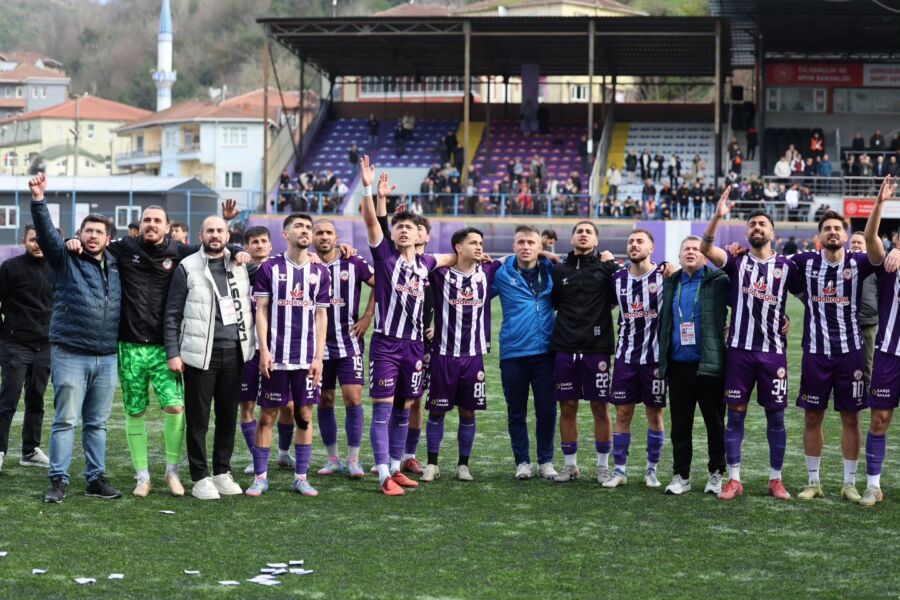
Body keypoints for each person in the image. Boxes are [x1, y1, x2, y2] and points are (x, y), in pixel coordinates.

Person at [359, 156, 455, 495]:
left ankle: (397, 466)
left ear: (421, 236)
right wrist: (370, 188)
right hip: (387, 343)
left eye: (409, 227)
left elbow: (454, 257)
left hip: (415, 347)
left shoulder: (427, 262)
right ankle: (383, 472)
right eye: (398, 226)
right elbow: (371, 219)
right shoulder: (384, 257)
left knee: (405, 407)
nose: (402, 230)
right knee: (383, 409)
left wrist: (480, 257)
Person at [701, 188, 803, 501]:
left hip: (773, 353)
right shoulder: (736, 262)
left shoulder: (788, 267)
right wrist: (718, 216)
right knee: (736, 413)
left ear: (772, 231)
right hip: (740, 352)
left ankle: (776, 479)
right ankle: (734, 479)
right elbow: (706, 248)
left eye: (762, 224)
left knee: (776, 416)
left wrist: (787, 318)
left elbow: (808, 298)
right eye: (752, 225)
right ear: (747, 232)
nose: (757, 228)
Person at [29, 173, 123, 503]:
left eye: (99, 232)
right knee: (66, 420)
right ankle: (58, 480)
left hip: (107, 355)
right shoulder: (66, 258)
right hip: (70, 352)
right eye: (88, 231)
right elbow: (47, 237)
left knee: (97, 423)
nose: (93, 236)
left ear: (108, 239)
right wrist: (39, 200)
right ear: (79, 235)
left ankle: (95, 479)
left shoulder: (117, 262)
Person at [164, 215, 254, 500]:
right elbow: (172, 314)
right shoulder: (187, 267)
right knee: (199, 420)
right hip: (200, 355)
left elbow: (271, 268)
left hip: (235, 353)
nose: (215, 235)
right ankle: (200, 476)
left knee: (227, 417)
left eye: (220, 230)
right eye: (210, 231)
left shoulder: (242, 265)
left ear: (228, 235)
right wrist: (173, 353)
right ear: (200, 236)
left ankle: (221, 471)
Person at [787, 212, 873, 502]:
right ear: (819, 237)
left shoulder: (859, 262)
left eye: (838, 228)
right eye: (827, 229)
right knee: (813, 416)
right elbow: (770, 265)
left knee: (851, 418)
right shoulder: (804, 261)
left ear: (846, 236)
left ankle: (849, 483)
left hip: (851, 354)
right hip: (815, 353)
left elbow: (881, 256)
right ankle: (814, 482)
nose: (833, 232)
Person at [246, 213, 330, 498]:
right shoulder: (269, 268)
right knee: (267, 416)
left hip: (306, 359)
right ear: (285, 234)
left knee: (304, 415)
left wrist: (319, 357)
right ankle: (260, 477)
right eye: (299, 227)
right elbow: (262, 311)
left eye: (309, 227)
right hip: (276, 357)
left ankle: (301, 477)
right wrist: (265, 350)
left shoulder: (320, 272)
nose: (305, 231)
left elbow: (321, 316)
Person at [421, 227, 498, 482]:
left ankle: (463, 465)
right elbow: (420, 258)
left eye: (481, 242)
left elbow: (518, 258)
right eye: (473, 243)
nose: (479, 247)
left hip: (473, 356)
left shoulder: (488, 271)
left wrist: (548, 253)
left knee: (468, 412)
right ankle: (432, 463)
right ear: (458, 247)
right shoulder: (440, 273)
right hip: (443, 354)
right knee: (437, 412)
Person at [658, 236, 728, 495]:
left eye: (696, 249)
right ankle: (681, 476)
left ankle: (716, 474)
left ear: (705, 255)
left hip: (710, 365)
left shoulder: (719, 281)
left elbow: (745, 303)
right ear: (679, 256)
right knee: (680, 425)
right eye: (685, 248)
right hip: (678, 366)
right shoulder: (671, 281)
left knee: (715, 423)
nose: (691, 252)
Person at [550, 222, 619, 484]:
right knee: (567, 406)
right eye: (579, 231)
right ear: (571, 239)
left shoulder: (606, 269)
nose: (583, 234)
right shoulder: (559, 270)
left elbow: (617, 298)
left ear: (596, 241)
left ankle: (603, 466)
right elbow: (554, 302)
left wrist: (612, 265)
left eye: (589, 232)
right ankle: (570, 466)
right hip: (565, 347)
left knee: (600, 407)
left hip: (597, 349)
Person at [604, 230, 668, 489]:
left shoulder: (664, 276)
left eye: (640, 241)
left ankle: (651, 470)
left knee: (655, 414)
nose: (634, 245)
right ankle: (619, 470)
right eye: (631, 241)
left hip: (654, 360)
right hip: (625, 358)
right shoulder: (617, 278)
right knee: (622, 413)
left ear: (651, 248)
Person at [493, 225, 558, 480]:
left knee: (546, 410)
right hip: (513, 353)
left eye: (531, 242)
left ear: (540, 247)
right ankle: (522, 461)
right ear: (513, 247)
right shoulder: (500, 273)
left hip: (545, 354)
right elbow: (472, 292)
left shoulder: (552, 270)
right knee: (516, 411)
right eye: (521, 242)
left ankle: (546, 461)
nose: (526, 246)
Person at [312, 219, 375, 479]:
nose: (324, 237)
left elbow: (381, 283)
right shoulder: (307, 264)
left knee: (353, 398)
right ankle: (332, 458)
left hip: (348, 343)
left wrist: (367, 316)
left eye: (329, 232)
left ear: (336, 237)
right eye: (319, 233)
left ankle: (354, 459)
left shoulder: (353, 261)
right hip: (316, 347)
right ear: (313, 237)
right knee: (325, 400)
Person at [238, 226, 297, 476]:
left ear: (271, 245)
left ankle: (283, 453)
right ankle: (256, 455)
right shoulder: (237, 271)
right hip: (246, 349)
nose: (259, 245)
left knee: (289, 405)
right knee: (247, 404)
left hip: (279, 348)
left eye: (263, 241)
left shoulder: (281, 270)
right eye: (254, 242)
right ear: (246, 247)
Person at [0, 224, 53, 472]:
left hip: (46, 346)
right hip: (15, 344)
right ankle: (0, 451)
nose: (38, 244)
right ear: (24, 241)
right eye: (33, 240)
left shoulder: (58, 268)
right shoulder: (10, 268)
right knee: (8, 399)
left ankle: (30, 450)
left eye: (43, 240)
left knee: (37, 399)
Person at [861, 175, 900, 507]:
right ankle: (873, 485)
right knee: (879, 419)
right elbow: (870, 236)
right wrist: (880, 203)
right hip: (889, 353)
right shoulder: (890, 266)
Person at [850, 232, 878, 385]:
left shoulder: (874, 266)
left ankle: (868, 388)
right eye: (853, 242)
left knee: (868, 359)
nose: (855, 245)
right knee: (844, 359)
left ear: (866, 245)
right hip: (845, 323)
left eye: (859, 242)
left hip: (868, 321)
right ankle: (841, 388)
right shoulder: (843, 264)